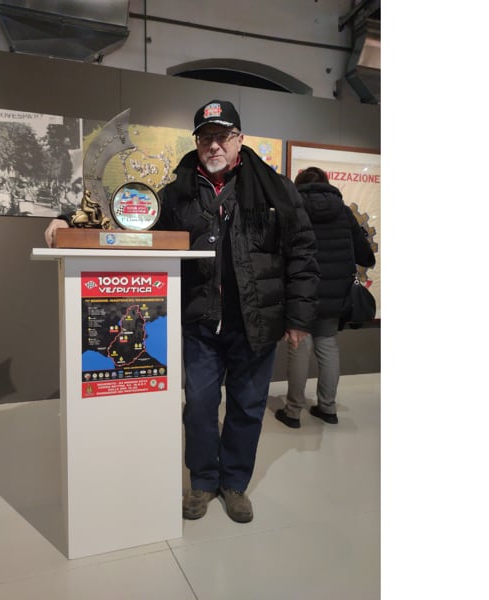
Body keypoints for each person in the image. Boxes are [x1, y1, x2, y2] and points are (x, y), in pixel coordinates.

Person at [44, 100, 320, 523]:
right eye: (206, 138)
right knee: (200, 407)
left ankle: (234, 483)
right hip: (200, 322)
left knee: (248, 407)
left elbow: (302, 253)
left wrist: (299, 318)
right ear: (197, 142)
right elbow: (129, 220)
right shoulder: (176, 192)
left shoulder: (276, 190)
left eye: (222, 136)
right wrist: (69, 219)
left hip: (257, 323)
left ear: (239, 139)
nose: (214, 146)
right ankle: (204, 481)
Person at [275, 166, 375, 428]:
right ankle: (328, 408)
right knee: (328, 345)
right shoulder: (343, 212)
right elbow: (365, 254)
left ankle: (293, 411)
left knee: (299, 346)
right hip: (335, 292)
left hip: (300, 291)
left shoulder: (292, 209)